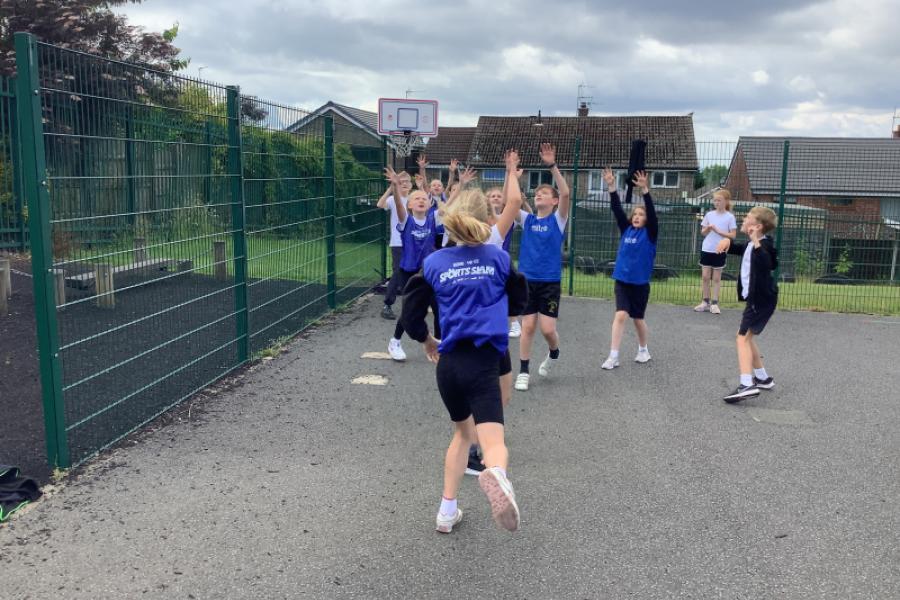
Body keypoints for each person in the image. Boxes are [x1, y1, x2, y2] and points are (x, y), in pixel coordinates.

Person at [400, 149, 527, 533]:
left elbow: (411, 310)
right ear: (487, 219)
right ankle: (497, 474)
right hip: (484, 361)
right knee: (493, 439)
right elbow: (520, 295)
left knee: (461, 434)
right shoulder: (497, 257)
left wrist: (426, 339)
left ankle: (447, 510)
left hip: (449, 363)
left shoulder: (434, 263)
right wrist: (505, 315)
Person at [514, 143, 571, 392]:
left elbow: (566, 193)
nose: (539, 194)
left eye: (544, 193)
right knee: (527, 326)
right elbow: (511, 202)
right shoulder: (527, 220)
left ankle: (554, 351)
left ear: (554, 201)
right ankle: (523, 371)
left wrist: (552, 166)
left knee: (548, 330)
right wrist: (512, 176)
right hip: (527, 280)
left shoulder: (558, 220)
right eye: (536, 193)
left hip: (549, 282)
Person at [716, 206, 779, 403]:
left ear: (757, 226)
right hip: (758, 299)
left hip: (761, 300)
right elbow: (740, 250)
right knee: (747, 337)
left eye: (748, 217)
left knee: (742, 338)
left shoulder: (764, 245)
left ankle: (746, 384)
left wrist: (755, 241)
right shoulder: (751, 244)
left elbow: (768, 263)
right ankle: (762, 378)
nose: (743, 219)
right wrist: (727, 241)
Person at [600, 168, 658, 370]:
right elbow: (617, 209)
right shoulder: (626, 230)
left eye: (641, 214)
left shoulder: (650, 234)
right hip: (622, 282)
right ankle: (613, 356)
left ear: (647, 219)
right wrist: (611, 186)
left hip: (640, 284)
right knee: (621, 315)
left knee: (638, 319)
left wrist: (645, 190)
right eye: (635, 214)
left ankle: (643, 350)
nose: (637, 216)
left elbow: (652, 213)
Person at [384, 167, 443, 361]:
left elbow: (448, 206)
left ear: (429, 204)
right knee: (411, 310)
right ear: (410, 204)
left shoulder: (433, 219)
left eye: (424, 198)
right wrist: (395, 186)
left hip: (428, 272)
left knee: (438, 308)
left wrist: (461, 185)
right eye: (416, 198)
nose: (420, 200)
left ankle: (440, 345)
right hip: (409, 272)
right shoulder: (406, 221)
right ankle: (395, 341)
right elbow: (399, 207)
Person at [695, 189, 737, 314]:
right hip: (707, 248)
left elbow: (733, 235)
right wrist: (708, 228)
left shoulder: (730, 217)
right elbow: (703, 232)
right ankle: (705, 302)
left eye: (719, 200)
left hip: (720, 249)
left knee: (717, 278)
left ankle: (714, 303)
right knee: (705, 276)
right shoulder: (709, 215)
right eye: (715, 200)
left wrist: (718, 231)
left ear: (726, 201)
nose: (716, 203)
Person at [378, 171, 412, 320]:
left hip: (413, 243)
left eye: (406, 181)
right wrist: (391, 188)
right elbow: (380, 204)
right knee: (398, 272)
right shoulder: (393, 199)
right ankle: (387, 304)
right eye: (401, 182)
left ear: (411, 185)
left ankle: (412, 305)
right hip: (398, 242)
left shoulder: (414, 199)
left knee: (413, 273)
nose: (404, 184)